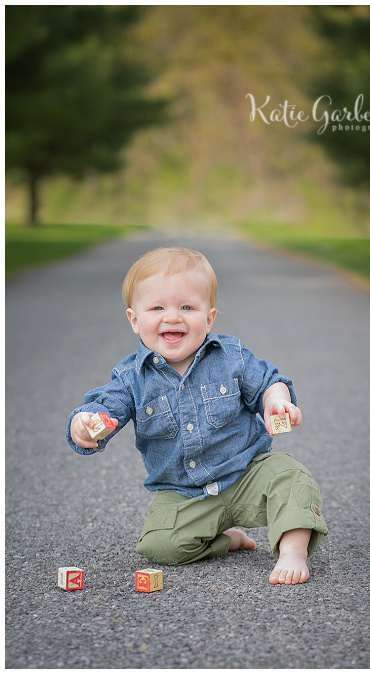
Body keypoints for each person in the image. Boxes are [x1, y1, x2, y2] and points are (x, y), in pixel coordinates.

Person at [67, 246, 327, 583]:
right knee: (159, 547)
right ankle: (224, 540)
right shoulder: (131, 379)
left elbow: (269, 381)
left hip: (247, 474)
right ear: (134, 319)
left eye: (187, 307)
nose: (172, 317)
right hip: (185, 492)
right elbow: (102, 409)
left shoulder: (231, 356)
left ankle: (292, 552)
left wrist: (277, 403)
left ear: (209, 317)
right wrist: (83, 426)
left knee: (292, 477)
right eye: (157, 307)